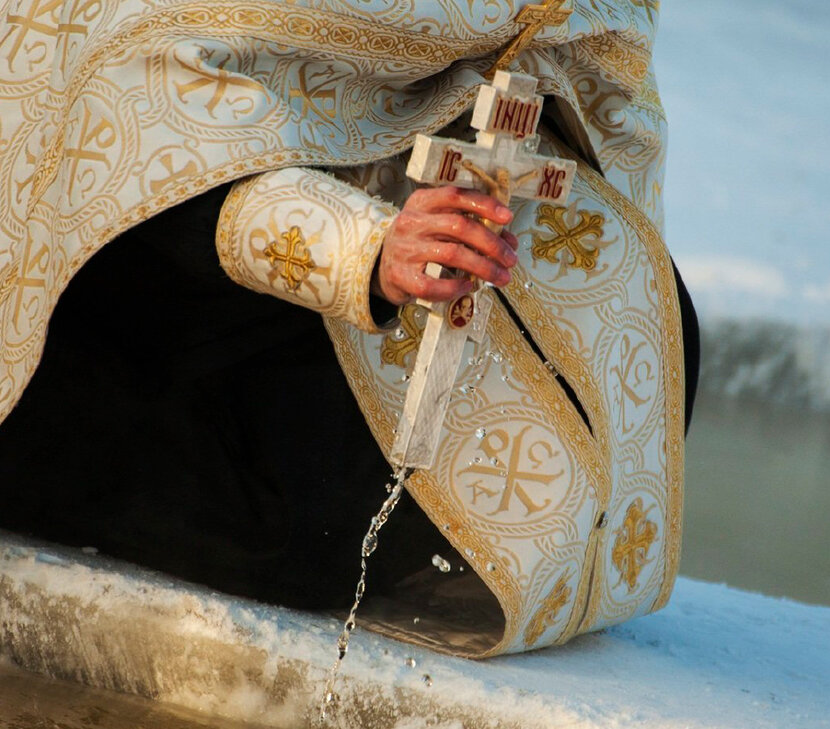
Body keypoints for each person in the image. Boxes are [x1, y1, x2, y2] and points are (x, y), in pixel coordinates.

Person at [0, 0, 697, 657]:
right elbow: (134, 120)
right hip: (209, 345)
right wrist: (361, 248)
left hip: (493, 274)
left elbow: (596, 56)